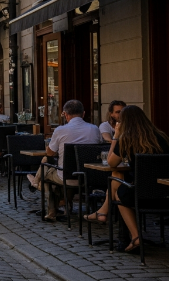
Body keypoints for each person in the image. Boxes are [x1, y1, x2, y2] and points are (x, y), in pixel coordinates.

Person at [106, 105, 169, 253]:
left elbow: (111, 163)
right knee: (120, 183)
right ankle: (104, 214)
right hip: (164, 194)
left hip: (140, 195)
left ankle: (135, 236)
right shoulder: (162, 137)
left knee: (119, 191)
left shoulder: (127, 139)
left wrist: (116, 135)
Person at [27, 100, 102, 221]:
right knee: (60, 170)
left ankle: (51, 210)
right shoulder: (94, 129)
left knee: (47, 173)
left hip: (66, 177)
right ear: (83, 114)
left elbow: (50, 153)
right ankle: (64, 203)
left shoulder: (60, 130)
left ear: (65, 115)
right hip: (89, 178)